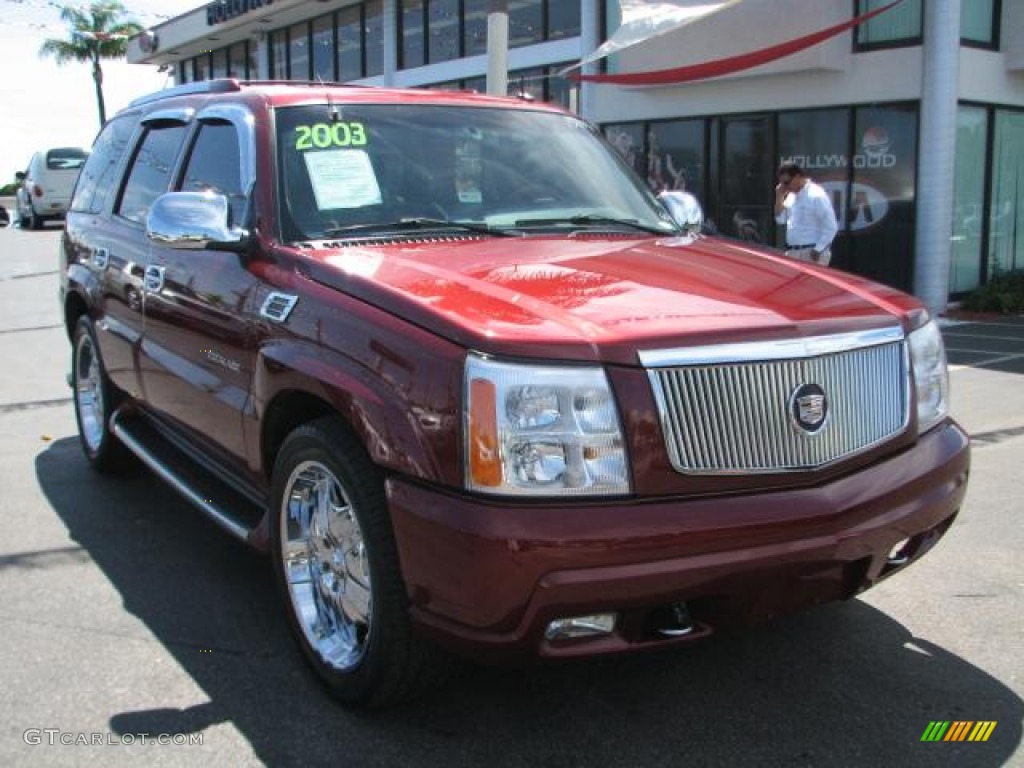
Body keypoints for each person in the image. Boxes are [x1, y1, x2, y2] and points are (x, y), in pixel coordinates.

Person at [774, 162, 838, 266]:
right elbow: (780, 219)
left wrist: (818, 249)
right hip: (793, 252)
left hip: (811, 251)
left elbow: (831, 227)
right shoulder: (792, 196)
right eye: (781, 183)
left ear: (797, 177)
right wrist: (779, 196)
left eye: (786, 182)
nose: (784, 186)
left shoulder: (816, 195)